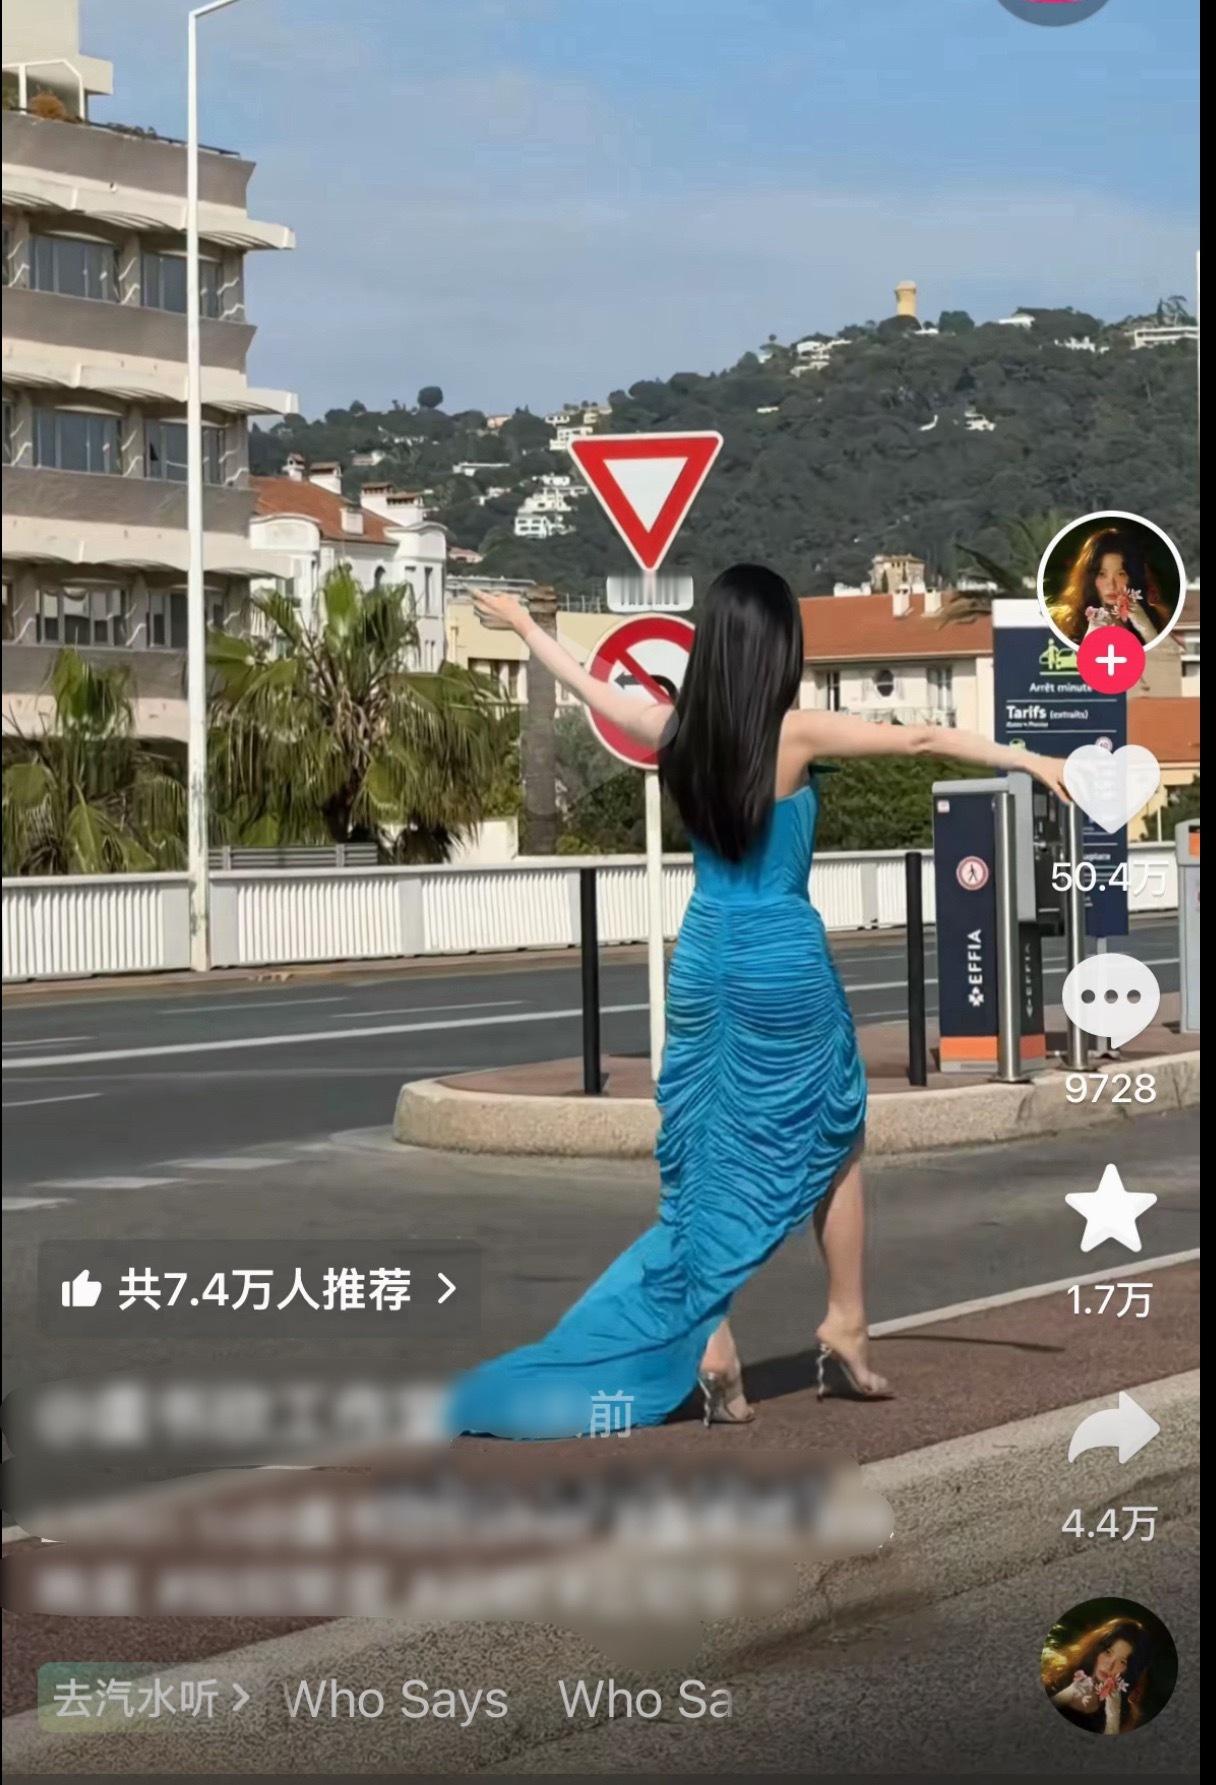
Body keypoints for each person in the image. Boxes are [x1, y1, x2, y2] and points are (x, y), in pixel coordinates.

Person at [447, 566, 1069, 1440]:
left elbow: (587, 682)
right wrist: (1033, 759)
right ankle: (846, 1325)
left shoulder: (671, 728)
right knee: (834, 1133)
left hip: (704, 955)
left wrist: (522, 624)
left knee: (703, 1153)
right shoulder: (794, 732)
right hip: (782, 956)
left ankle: (714, 1343)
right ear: (779, 650)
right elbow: (923, 739)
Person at [1047, 526, 1175, 645]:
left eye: (1121, 574)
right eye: (1102, 574)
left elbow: (1165, 656)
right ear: (1089, 578)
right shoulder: (1064, 622)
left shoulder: (1154, 618)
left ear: (1133, 576)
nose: (1111, 585)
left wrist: (1146, 627)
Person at [1042, 1616, 1150, 1735]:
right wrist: (1067, 1694)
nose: (1110, 1665)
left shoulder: (1123, 1713)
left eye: (1122, 1661)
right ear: (1097, 1649)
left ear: (1129, 1671)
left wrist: (1113, 1715)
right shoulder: (1060, 1673)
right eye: (1108, 1652)